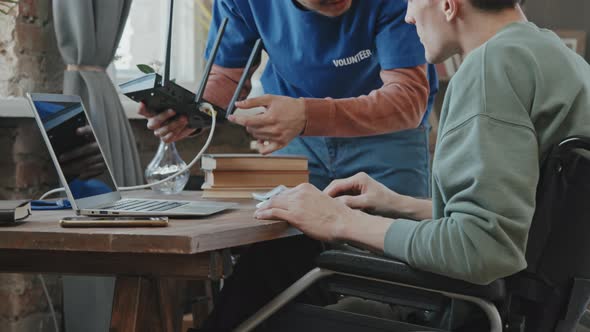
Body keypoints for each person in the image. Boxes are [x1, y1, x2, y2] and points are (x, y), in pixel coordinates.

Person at [256, 0, 590, 290]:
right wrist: (399, 204)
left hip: (473, 310)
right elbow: (524, 218)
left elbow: (482, 248)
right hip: (545, 305)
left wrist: (339, 222)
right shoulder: (559, 58)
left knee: (271, 273)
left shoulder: (491, 68)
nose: (408, 16)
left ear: (447, 4)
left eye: (413, 0)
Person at [140, 0, 438, 196]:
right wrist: (192, 114)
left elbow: (408, 100)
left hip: (386, 138)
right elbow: (228, 77)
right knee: (289, 261)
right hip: (298, 144)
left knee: (392, 268)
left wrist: (307, 115)